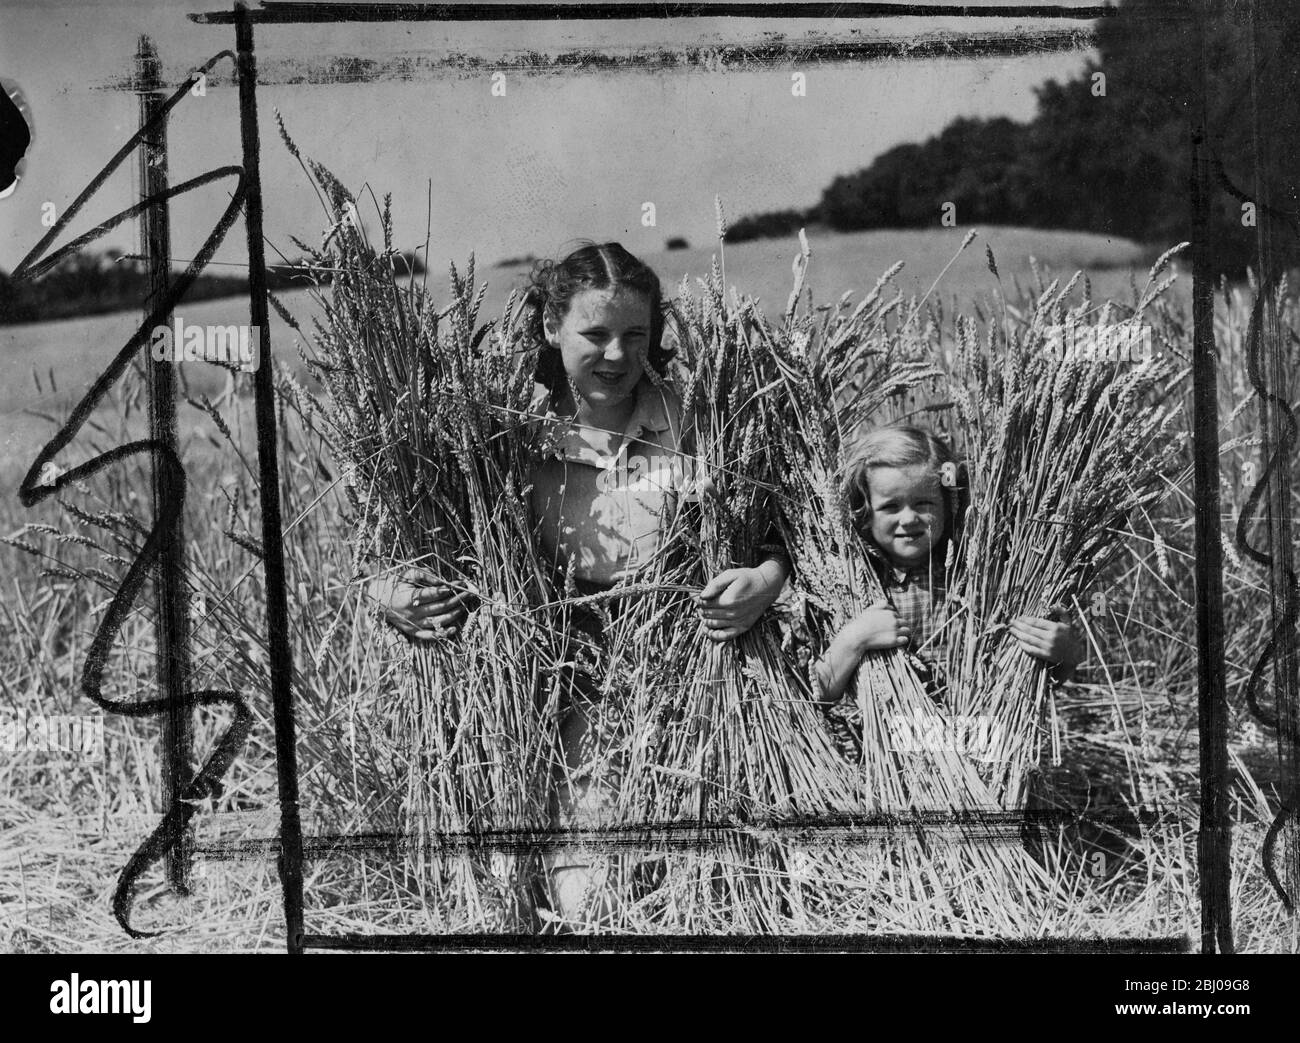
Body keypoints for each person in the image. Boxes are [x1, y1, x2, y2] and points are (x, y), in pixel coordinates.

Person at [371, 241, 791, 924]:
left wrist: (762, 581)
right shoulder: (499, 430)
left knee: (703, 877)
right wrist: (394, 596)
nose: (618, 355)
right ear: (549, 327)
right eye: (594, 334)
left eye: (635, 335)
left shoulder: (694, 419)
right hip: (546, 670)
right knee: (586, 898)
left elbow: (774, 536)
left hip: (686, 667)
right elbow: (401, 550)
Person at [811, 424, 1084, 705]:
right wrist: (854, 639)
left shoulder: (979, 576)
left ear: (948, 502)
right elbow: (821, 694)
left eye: (924, 503)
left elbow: (1036, 679)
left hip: (983, 732)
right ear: (865, 513)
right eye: (891, 506)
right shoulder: (852, 587)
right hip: (894, 740)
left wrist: (1067, 653)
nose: (908, 519)